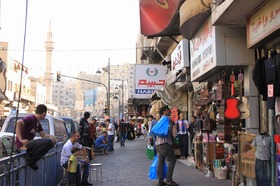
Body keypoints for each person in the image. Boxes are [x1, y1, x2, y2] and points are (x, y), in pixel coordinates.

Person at [15, 104, 56, 171]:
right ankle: (30, 159)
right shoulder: (31, 118)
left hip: (29, 144)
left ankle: (32, 159)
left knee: (52, 142)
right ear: (44, 113)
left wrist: (51, 136)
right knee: (49, 141)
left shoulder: (38, 123)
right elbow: (19, 123)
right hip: (23, 144)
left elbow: (43, 135)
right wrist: (21, 139)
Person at [155, 106, 178, 186]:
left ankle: (160, 181)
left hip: (158, 144)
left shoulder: (159, 120)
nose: (170, 111)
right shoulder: (168, 121)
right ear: (164, 112)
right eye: (168, 110)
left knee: (160, 162)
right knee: (172, 160)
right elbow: (173, 134)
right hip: (166, 144)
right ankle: (169, 180)